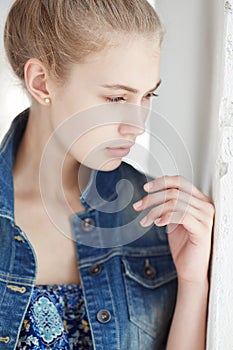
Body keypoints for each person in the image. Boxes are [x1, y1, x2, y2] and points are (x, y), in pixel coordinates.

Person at [0, 1, 214, 349]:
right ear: (41, 83)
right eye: (116, 97)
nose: (138, 125)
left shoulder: (155, 220)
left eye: (148, 95)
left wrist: (193, 283)